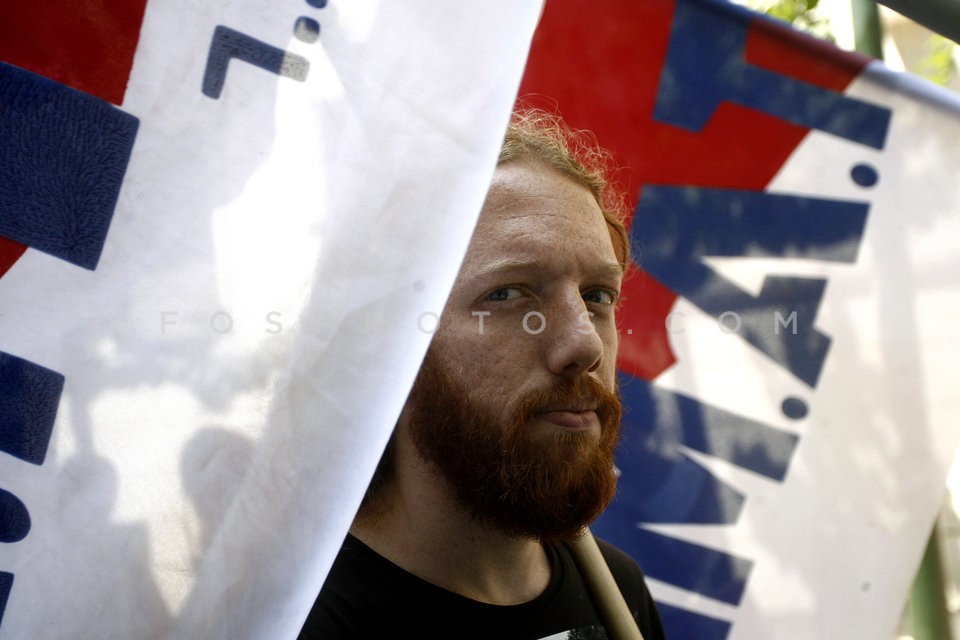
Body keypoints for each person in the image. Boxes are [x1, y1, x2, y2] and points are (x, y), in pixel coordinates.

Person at [299, 109, 667, 639]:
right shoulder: (287, 617)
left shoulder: (616, 591)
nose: (585, 343)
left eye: (597, 296)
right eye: (508, 293)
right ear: (388, 341)